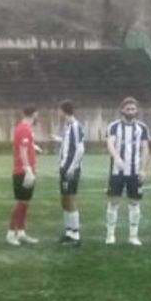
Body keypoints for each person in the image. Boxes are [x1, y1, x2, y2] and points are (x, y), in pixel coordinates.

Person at [106, 97, 149, 246]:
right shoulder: (114, 126)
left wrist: (143, 169)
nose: (131, 111)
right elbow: (110, 143)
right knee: (114, 201)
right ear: (122, 110)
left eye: (133, 109)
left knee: (134, 202)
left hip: (134, 171)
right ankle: (110, 234)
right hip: (117, 171)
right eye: (128, 109)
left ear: (137, 111)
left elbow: (145, 149)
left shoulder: (142, 127)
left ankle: (133, 236)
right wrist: (117, 158)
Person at [7, 106, 39, 246]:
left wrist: (34, 147)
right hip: (22, 171)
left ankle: (21, 232)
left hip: (24, 170)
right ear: (34, 114)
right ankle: (10, 233)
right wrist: (28, 169)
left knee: (25, 203)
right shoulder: (24, 129)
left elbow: (24, 146)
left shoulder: (23, 128)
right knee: (21, 203)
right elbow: (22, 150)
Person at [57, 100, 86, 246]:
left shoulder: (75, 126)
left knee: (70, 199)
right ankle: (69, 232)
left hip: (70, 169)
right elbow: (69, 145)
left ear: (63, 111)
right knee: (65, 199)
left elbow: (80, 149)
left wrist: (71, 168)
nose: (58, 113)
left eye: (59, 111)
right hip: (64, 168)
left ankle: (75, 235)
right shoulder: (68, 127)